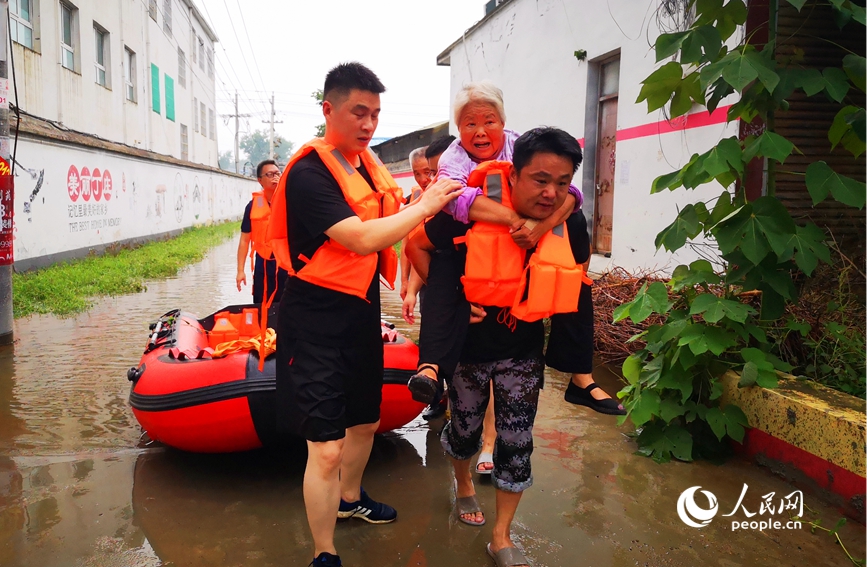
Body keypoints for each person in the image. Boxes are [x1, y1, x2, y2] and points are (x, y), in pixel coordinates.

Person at [265, 62, 462, 567]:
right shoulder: (310, 174)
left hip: (359, 313)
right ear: (328, 109)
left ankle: (350, 501)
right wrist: (428, 204)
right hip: (312, 320)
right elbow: (360, 238)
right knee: (326, 448)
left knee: (365, 421)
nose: (369, 124)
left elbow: (396, 231)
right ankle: (324, 552)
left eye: (375, 114)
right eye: (359, 112)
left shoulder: (365, 166)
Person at [435, 127, 587, 566]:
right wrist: (450, 312)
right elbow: (420, 251)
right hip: (468, 349)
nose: (551, 192)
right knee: (463, 431)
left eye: (562, 183)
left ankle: (501, 536)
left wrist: (580, 370)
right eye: (540, 180)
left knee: (516, 440)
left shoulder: (568, 219)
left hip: (523, 351)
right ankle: (464, 484)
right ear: (514, 174)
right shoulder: (469, 210)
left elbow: (577, 282)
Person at [405, 82, 580, 405]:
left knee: (577, 242)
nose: (481, 131)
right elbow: (455, 201)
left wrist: (541, 227)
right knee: (444, 265)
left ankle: (580, 374)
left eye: (489, 121)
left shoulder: (522, 146)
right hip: (470, 231)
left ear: (502, 121)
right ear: (459, 128)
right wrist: (513, 220)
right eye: (470, 123)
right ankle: (430, 369)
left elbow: (571, 195)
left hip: (523, 239)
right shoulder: (454, 157)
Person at [401, 136, 455, 421]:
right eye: (419, 173)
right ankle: (437, 395)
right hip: (430, 280)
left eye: (430, 172)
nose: (425, 178)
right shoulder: (417, 201)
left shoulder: (455, 198)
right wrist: (407, 287)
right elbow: (409, 247)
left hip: (455, 281)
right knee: (432, 335)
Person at [236, 159, 289, 304]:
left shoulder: (291, 202)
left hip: (286, 263)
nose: (275, 177)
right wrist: (240, 270)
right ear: (260, 180)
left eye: (278, 173)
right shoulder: (253, 206)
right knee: (261, 303)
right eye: (270, 174)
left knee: (288, 305)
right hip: (263, 263)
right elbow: (244, 240)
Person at [399, 147, 432, 300]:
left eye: (427, 172)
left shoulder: (449, 199)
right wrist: (405, 281)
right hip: (420, 280)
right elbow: (407, 242)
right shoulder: (411, 199)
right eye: (416, 174)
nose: (422, 180)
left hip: (441, 275)